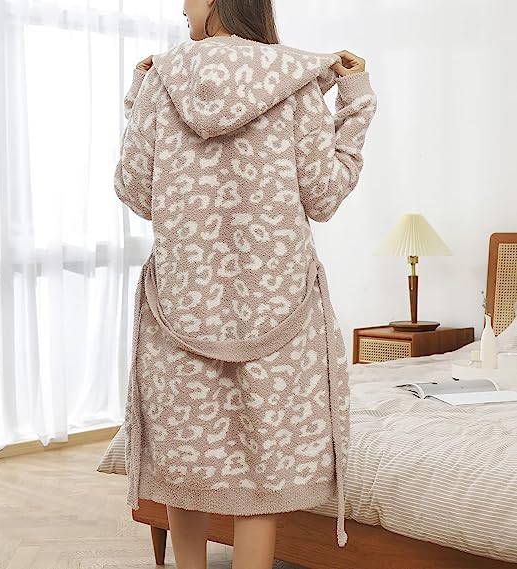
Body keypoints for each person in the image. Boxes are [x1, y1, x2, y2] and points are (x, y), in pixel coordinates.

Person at [114, 1, 377, 567]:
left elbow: (136, 191)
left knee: (186, 464)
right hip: (277, 313)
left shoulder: (162, 79)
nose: (180, 6)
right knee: (262, 474)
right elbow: (323, 197)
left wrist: (138, 98)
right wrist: (356, 102)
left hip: (181, 309)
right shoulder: (296, 80)